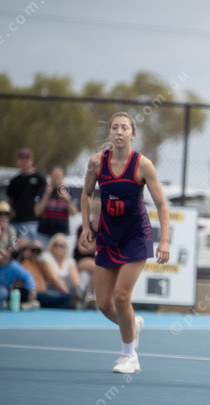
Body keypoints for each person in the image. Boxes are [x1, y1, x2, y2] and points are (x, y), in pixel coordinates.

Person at [79, 112, 170, 374]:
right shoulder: (96, 163)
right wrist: (86, 226)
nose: (119, 132)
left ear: (133, 134)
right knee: (104, 303)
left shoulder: (143, 165)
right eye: (115, 128)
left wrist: (164, 240)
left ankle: (129, 356)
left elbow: (162, 204)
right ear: (110, 132)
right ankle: (133, 324)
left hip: (135, 236)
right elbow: (86, 194)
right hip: (108, 236)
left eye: (124, 128)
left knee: (121, 296)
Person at [7, 147, 46, 247]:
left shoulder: (40, 179)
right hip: (15, 221)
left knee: (23, 245)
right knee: (13, 246)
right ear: (17, 161)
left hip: (32, 222)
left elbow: (45, 199)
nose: (24, 162)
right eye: (21, 159)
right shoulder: (14, 181)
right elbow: (10, 201)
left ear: (31, 161)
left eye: (27, 158)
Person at [20, 239, 72, 309]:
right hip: (33, 292)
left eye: (38, 251)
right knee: (66, 298)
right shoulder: (23, 263)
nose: (35, 253)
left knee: (64, 299)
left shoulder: (38, 264)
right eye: (33, 250)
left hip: (43, 292)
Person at [34, 165, 78, 247]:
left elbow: (74, 212)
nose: (56, 178)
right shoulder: (43, 191)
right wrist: (46, 195)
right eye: (54, 175)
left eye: (59, 176)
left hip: (62, 234)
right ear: (50, 177)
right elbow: (37, 212)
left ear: (63, 177)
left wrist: (67, 199)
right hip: (44, 233)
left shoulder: (68, 192)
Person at [39, 233, 83, 308]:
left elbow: (75, 279)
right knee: (48, 296)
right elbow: (53, 280)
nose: (58, 247)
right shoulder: (46, 257)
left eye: (61, 246)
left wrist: (78, 290)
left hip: (67, 290)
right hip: (50, 290)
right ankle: (74, 302)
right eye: (55, 245)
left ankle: (76, 301)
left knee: (72, 294)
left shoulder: (69, 260)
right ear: (51, 246)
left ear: (65, 248)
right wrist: (68, 294)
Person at [0, 245, 39, 310]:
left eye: (4, 257)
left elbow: (27, 276)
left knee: (3, 292)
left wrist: (32, 290)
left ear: (10, 260)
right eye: (0, 253)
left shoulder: (13, 266)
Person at [73, 198, 101, 308]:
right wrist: (95, 244)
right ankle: (91, 296)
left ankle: (96, 297)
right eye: (98, 213)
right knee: (96, 267)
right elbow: (82, 249)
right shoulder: (85, 227)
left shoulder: (106, 228)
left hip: (99, 258)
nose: (100, 216)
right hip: (82, 259)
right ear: (94, 212)